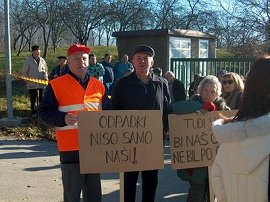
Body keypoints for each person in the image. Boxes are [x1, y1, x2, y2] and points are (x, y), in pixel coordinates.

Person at [38, 44, 108, 202]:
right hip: (70, 148)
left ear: (89, 62)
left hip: (94, 146)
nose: (81, 62)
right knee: (72, 195)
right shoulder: (56, 85)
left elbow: (108, 114)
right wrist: (62, 118)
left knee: (94, 195)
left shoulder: (99, 86)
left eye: (84, 59)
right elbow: (43, 112)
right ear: (68, 62)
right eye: (76, 59)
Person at [112, 45, 170, 202]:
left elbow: (167, 110)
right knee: (129, 181)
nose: (142, 61)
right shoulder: (122, 84)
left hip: (154, 142)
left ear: (152, 62)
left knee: (151, 180)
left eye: (146, 58)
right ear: (133, 62)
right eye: (138, 58)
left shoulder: (162, 83)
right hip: (128, 143)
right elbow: (113, 111)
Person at [211, 58, 270, 202]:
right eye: (224, 82)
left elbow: (219, 189)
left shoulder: (227, 142)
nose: (226, 85)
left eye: (229, 82)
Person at [176, 75, 228, 202]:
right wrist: (200, 108)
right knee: (196, 195)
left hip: (216, 162)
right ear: (200, 90)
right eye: (206, 90)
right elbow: (175, 109)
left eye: (213, 91)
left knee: (213, 195)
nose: (209, 94)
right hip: (197, 165)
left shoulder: (223, 109)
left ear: (218, 93)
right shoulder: (192, 103)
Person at [22, 45, 48, 117]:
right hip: (32, 84)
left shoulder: (42, 60)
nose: (38, 54)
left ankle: (40, 112)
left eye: (39, 53)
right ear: (33, 52)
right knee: (33, 98)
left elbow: (45, 71)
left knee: (41, 99)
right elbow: (24, 72)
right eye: (37, 52)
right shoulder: (28, 60)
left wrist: (46, 78)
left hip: (41, 84)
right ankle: (33, 112)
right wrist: (27, 80)